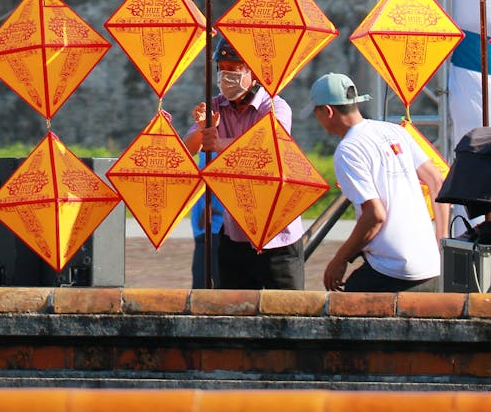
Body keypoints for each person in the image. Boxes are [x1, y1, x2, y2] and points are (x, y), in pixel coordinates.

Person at [308, 71, 449, 292]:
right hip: (432, 265)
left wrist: (340, 259)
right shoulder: (394, 131)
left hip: (394, 270)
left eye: (316, 113)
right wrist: (442, 239)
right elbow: (436, 179)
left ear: (327, 111)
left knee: (344, 305)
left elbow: (375, 215)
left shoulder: (348, 149)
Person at [184, 38, 304, 290]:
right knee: (233, 311)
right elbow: (189, 148)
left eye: (234, 69)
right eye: (222, 68)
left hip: (277, 236)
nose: (226, 76)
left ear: (253, 73)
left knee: (287, 315)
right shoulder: (216, 105)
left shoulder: (274, 107)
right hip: (234, 231)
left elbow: (267, 148)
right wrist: (203, 130)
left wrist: (218, 143)